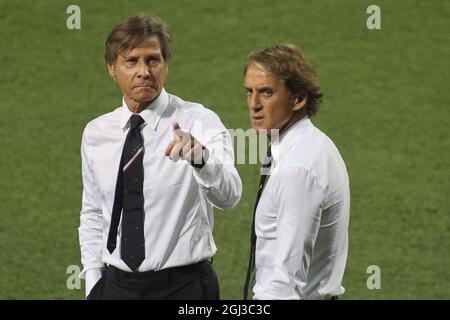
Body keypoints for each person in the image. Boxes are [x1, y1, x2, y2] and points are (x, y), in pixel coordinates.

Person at [78, 14, 242, 300]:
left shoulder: (199, 121)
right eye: (131, 61)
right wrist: (93, 281)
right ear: (111, 69)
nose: (144, 71)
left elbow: (230, 196)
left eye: (153, 60)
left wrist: (202, 160)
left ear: (166, 65)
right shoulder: (95, 133)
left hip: (184, 287)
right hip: (116, 287)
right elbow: (93, 212)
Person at [242, 43, 350, 300]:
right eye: (249, 92)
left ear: (298, 99)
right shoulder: (312, 144)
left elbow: (286, 285)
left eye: (266, 92)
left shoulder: (298, 169)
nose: (254, 104)